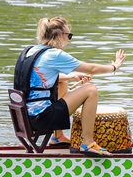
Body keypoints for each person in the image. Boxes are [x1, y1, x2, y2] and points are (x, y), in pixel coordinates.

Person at [13, 16, 126, 156]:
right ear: (59, 36)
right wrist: (114, 67)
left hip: (24, 117)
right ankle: (88, 143)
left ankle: (58, 137)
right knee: (91, 90)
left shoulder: (31, 51)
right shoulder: (54, 54)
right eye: (69, 36)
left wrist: (71, 76)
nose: (69, 40)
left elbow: (34, 79)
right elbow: (91, 69)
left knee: (62, 82)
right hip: (41, 118)